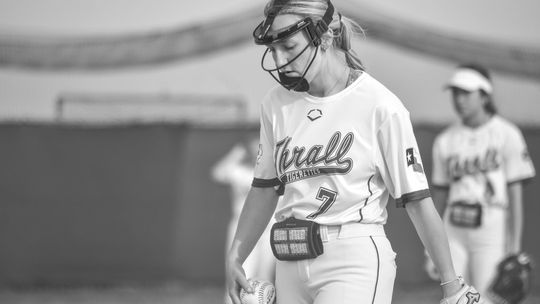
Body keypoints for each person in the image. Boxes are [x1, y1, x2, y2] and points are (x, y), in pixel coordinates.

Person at [226, 1, 483, 303]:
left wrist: (451, 284)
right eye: (273, 48)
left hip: (352, 261)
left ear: (323, 38)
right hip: (289, 261)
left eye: (288, 45)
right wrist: (236, 255)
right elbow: (264, 189)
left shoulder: (379, 105)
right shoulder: (275, 104)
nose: (279, 59)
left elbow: (417, 201)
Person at [428, 63, 536, 300]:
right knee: (454, 297)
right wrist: (430, 248)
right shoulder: (445, 140)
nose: (459, 99)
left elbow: (514, 195)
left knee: (488, 297)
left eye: (466, 92)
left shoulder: (507, 134)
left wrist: (514, 247)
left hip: (490, 225)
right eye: (455, 93)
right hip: (453, 228)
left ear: (485, 96)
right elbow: (440, 198)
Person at [211, 134, 276, 302]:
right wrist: (237, 152)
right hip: (242, 228)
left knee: (265, 276)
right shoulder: (239, 170)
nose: (256, 148)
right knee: (239, 272)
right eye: (253, 144)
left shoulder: (273, 170)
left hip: (270, 228)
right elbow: (217, 173)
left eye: (259, 144)